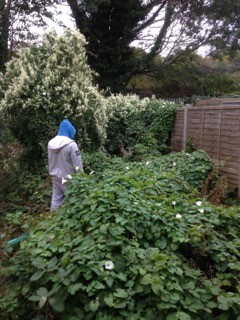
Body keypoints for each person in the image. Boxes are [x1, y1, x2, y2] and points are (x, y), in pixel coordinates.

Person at [48, 119, 83, 210]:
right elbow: (78, 165)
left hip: (55, 177)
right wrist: (82, 179)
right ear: (69, 130)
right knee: (73, 200)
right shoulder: (71, 145)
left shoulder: (50, 143)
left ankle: (52, 220)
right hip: (68, 178)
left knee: (56, 200)